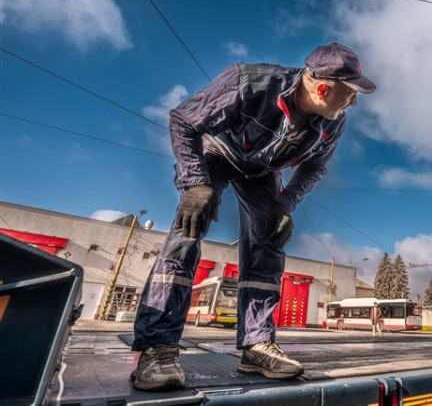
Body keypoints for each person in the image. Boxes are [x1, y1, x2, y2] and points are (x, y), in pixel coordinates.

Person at [130, 43, 376, 391]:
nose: (353, 102)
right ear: (323, 88)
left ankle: (255, 346)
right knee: (188, 232)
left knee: (269, 241)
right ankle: (157, 347)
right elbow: (184, 120)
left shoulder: (332, 123)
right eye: (349, 93)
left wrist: (285, 205)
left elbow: (314, 168)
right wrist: (195, 185)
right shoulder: (249, 82)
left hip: (261, 171)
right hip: (215, 154)